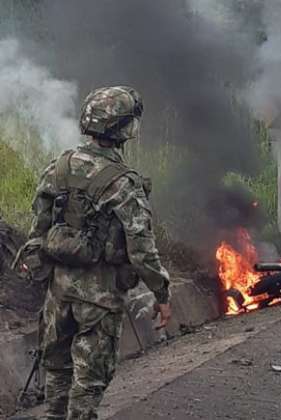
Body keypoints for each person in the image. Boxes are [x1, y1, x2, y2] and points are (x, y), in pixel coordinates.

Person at [25, 86, 172, 420]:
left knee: (58, 367)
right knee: (90, 380)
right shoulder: (123, 182)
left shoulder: (58, 168)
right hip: (101, 299)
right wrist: (161, 293)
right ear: (125, 130)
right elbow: (141, 249)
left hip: (59, 292)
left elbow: (38, 231)